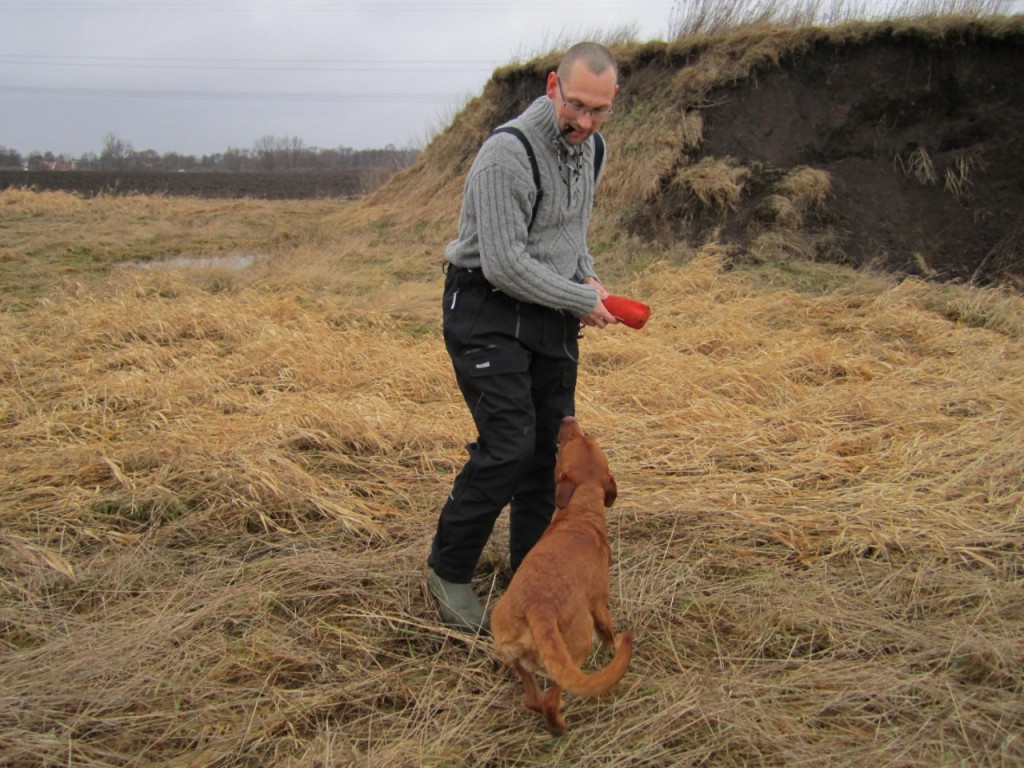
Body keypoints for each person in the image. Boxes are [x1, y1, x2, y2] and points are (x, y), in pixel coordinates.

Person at [428, 42, 620, 633]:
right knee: (510, 443)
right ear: (552, 86)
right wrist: (583, 299)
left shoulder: (593, 149)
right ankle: (449, 570)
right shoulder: (505, 155)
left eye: (600, 111)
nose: (586, 123)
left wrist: (585, 272)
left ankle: (532, 573)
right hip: (485, 307)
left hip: (550, 309)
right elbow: (505, 265)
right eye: (578, 106)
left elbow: (569, 229)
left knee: (549, 456)